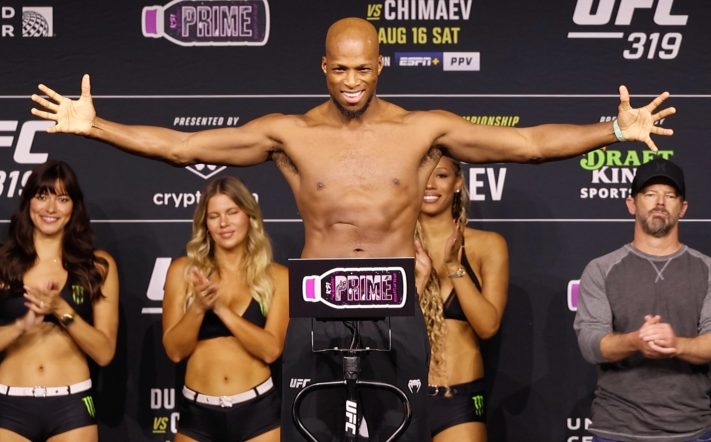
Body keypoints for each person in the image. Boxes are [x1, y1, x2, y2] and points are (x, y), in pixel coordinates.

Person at [30, 17, 674, 441]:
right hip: (319, 304)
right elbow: (182, 147)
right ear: (323, 67)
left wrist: (613, 130)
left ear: (380, 65)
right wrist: (95, 125)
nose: (353, 82)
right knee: (313, 433)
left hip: (396, 303)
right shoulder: (291, 133)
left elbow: (528, 145)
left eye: (363, 69)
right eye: (340, 70)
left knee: (403, 431)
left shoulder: (421, 129)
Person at [574, 157, 711, 442]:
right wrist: (634, 341)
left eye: (670, 196)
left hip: (691, 429)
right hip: (616, 429)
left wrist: (676, 345)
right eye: (650, 194)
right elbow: (590, 344)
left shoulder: (707, 270)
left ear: (683, 208)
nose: (660, 202)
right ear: (631, 204)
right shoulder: (601, 269)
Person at [162, 176, 288, 442]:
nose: (224, 223)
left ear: (249, 216)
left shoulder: (277, 276)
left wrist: (221, 309)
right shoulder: (183, 272)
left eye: (232, 212)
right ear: (205, 225)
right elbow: (174, 351)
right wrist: (198, 307)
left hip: (259, 414)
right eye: (214, 216)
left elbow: (271, 350)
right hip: (197, 413)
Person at [0, 160, 119, 442]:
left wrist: (63, 311)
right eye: (42, 196)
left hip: (72, 405)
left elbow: (104, 353)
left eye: (62, 199)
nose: (51, 208)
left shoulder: (97, 266)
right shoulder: (3, 263)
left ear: (74, 207)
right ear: (28, 202)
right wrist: (21, 326)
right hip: (8, 404)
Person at [415, 156, 508, 441]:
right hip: (400, 397)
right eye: (423, 174)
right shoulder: (392, 247)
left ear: (457, 183)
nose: (430, 184)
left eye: (441, 175)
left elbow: (487, 326)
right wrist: (419, 282)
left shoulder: (487, 245)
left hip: (458, 400)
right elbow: (382, 332)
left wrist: (454, 266)